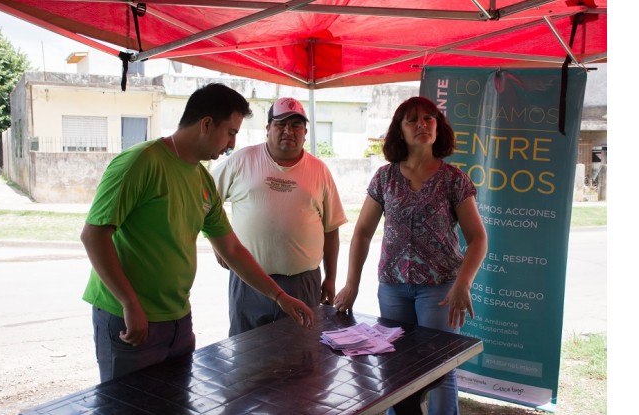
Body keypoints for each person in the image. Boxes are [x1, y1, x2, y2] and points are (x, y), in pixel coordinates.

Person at [80, 83, 314, 383]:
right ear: (206, 124)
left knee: (175, 403)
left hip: (176, 318)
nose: (231, 143)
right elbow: (94, 235)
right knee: (128, 405)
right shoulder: (140, 162)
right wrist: (129, 302)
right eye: (230, 132)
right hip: (128, 318)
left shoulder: (201, 178)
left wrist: (279, 296)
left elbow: (231, 249)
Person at [333, 96, 487, 415]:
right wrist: (352, 284)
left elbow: (478, 239)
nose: (422, 124)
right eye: (413, 119)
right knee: (396, 368)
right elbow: (361, 232)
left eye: (429, 118)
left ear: (438, 128)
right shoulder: (385, 178)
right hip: (392, 289)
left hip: (440, 290)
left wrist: (463, 284)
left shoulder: (453, 180)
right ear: (399, 131)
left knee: (440, 369)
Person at [210, 97, 348, 336]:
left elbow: (331, 229)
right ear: (267, 129)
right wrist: (218, 245)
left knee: (300, 356)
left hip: (303, 283)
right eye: (280, 123)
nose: (288, 131)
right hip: (249, 280)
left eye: (296, 125)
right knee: (247, 356)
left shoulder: (319, 170)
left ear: (305, 132)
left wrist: (331, 278)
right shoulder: (241, 160)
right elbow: (206, 200)